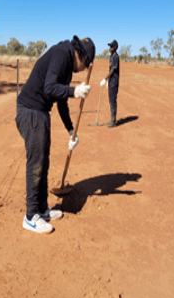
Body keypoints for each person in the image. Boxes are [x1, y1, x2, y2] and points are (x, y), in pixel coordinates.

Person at [15, 35, 96, 234]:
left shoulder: (67, 64)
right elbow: (49, 87)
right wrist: (74, 91)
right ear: (83, 57)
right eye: (86, 66)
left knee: (44, 162)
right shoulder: (62, 54)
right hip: (31, 111)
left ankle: (42, 209)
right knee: (35, 164)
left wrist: (71, 130)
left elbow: (60, 101)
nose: (83, 70)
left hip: (41, 112)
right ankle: (30, 216)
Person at [100, 40, 119, 127]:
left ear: (114, 48)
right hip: (111, 81)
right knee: (110, 101)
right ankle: (112, 119)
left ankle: (113, 122)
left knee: (113, 101)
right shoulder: (112, 56)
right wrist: (108, 81)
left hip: (114, 82)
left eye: (111, 46)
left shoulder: (116, 57)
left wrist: (105, 78)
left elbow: (113, 70)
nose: (109, 48)